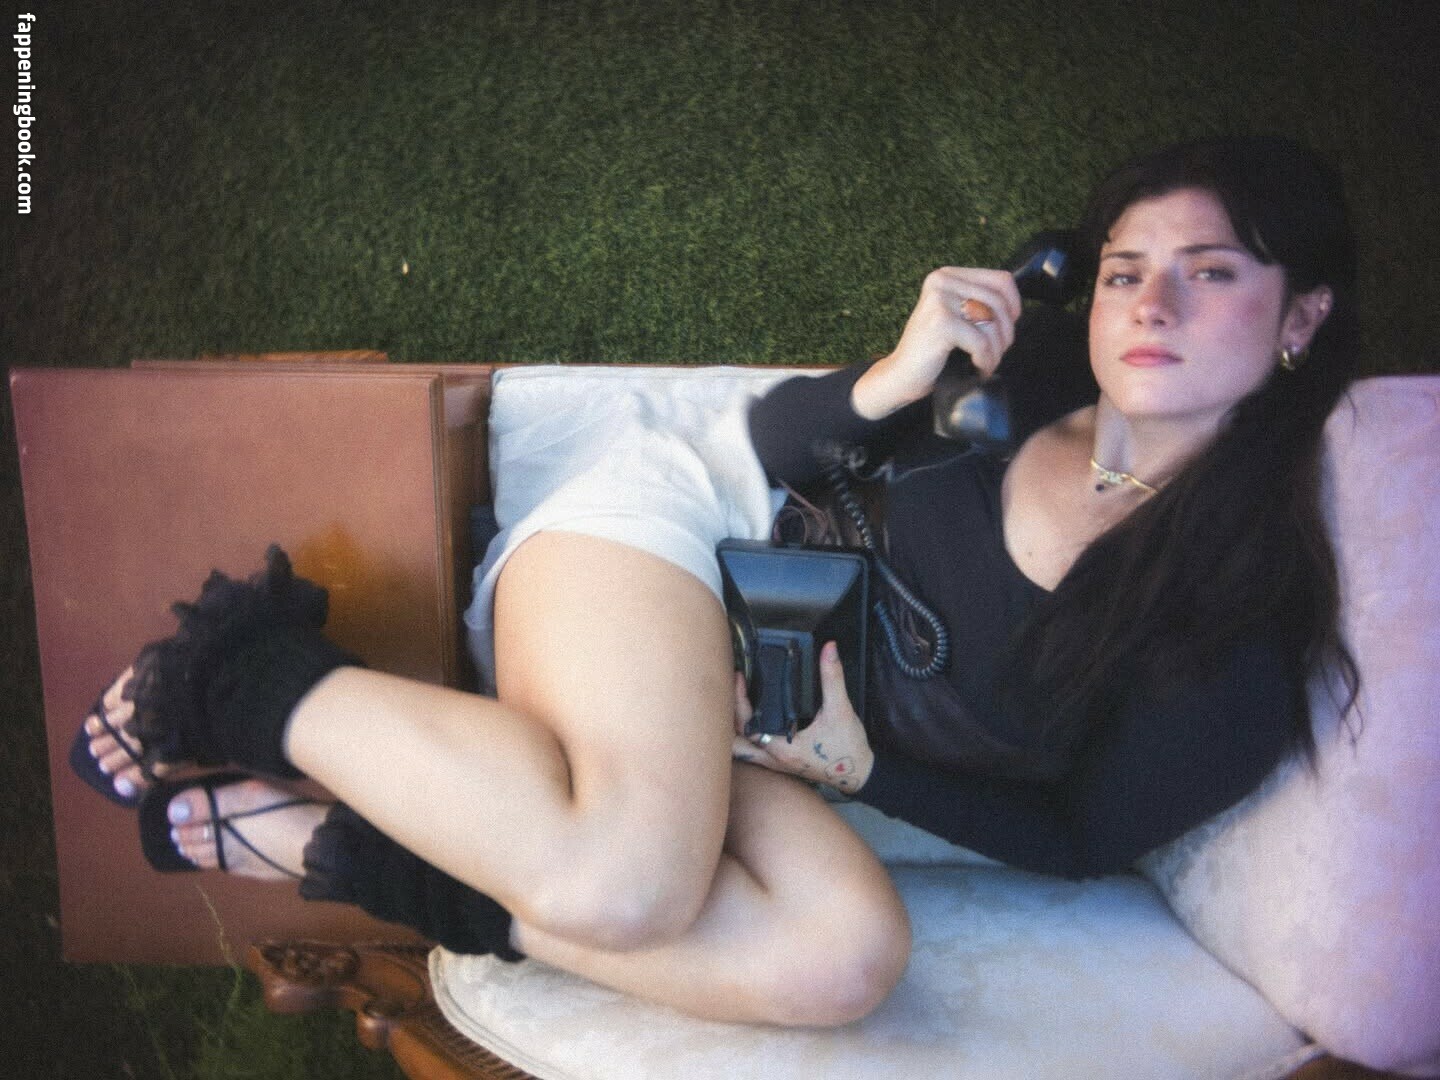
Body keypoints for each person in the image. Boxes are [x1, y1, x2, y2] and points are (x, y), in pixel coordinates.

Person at [74, 134, 1357, 1027]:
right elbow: (770, 451)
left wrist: (862, 769)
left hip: (757, 740)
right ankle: (236, 670)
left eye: (1211, 272)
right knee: (627, 882)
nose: (1152, 303)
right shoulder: (1016, 381)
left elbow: (1078, 834)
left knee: (841, 962)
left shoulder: (1236, 636)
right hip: (676, 536)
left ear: (1301, 317)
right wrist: (894, 378)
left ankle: (359, 850)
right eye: (1126, 271)